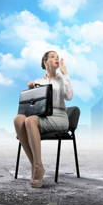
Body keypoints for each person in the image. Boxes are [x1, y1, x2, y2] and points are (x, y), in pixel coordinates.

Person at [13, 50, 73, 188]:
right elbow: (31, 106)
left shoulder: (62, 78)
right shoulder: (38, 82)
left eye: (57, 57)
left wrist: (66, 74)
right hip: (42, 116)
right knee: (18, 119)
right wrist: (30, 90)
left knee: (30, 120)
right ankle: (36, 165)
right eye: (52, 57)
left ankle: (37, 167)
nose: (56, 58)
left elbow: (69, 97)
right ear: (45, 62)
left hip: (59, 117)